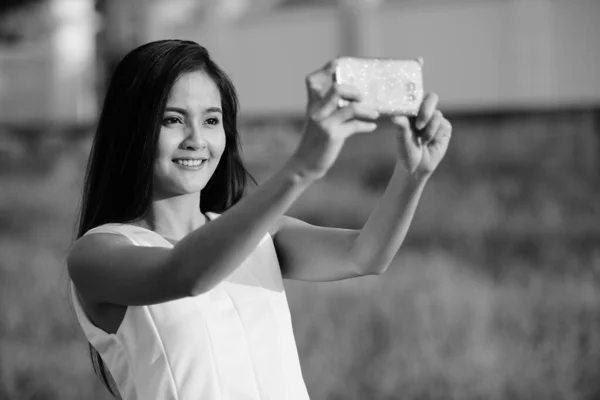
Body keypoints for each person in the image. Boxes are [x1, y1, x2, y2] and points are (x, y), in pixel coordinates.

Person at [67, 39, 452, 400]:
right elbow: (185, 275)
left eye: (211, 120)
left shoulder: (260, 232)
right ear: (132, 130)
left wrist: (412, 173)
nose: (196, 139)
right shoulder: (97, 254)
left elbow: (366, 255)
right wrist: (302, 166)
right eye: (172, 120)